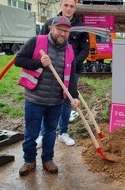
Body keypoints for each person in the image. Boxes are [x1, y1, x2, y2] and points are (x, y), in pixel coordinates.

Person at [15, 16, 80, 176]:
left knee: (51, 132)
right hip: (35, 99)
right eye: (59, 30)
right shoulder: (37, 41)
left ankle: (48, 159)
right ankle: (29, 160)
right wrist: (39, 63)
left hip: (56, 101)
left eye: (66, 31)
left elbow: (71, 76)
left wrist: (74, 96)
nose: (62, 34)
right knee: (32, 133)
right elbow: (18, 60)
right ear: (52, 28)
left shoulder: (69, 50)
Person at [36, 0, 89, 147]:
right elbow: (40, 43)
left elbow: (85, 49)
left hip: (71, 70)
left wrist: (71, 64)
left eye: (71, 6)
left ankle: (63, 133)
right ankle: (43, 134)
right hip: (50, 69)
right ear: (61, 5)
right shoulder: (50, 23)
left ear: (75, 8)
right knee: (45, 100)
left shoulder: (81, 27)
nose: (68, 8)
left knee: (67, 101)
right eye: (66, 5)